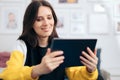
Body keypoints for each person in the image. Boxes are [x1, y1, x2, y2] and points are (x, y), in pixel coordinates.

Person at [0, 0, 98, 80]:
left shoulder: (62, 45)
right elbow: (7, 75)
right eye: (39, 19)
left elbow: (75, 74)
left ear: (54, 20)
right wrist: (37, 70)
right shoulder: (21, 46)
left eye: (49, 17)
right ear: (31, 23)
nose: (46, 23)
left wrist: (90, 70)